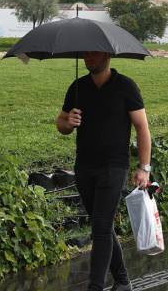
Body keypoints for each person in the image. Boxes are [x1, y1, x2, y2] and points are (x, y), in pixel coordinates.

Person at [57, 51, 152, 291]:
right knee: (103, 226)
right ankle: (122, 281)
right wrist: (68, 122)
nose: (89, 59)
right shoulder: (78, 87)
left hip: (114, 167)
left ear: (107, 56)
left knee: (100, 227)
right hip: (84, 167)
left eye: (94, 55)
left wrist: (144, 168)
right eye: (86, 55)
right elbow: (61, 123)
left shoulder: (126, 87)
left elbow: (142, 128)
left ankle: (95, 287)